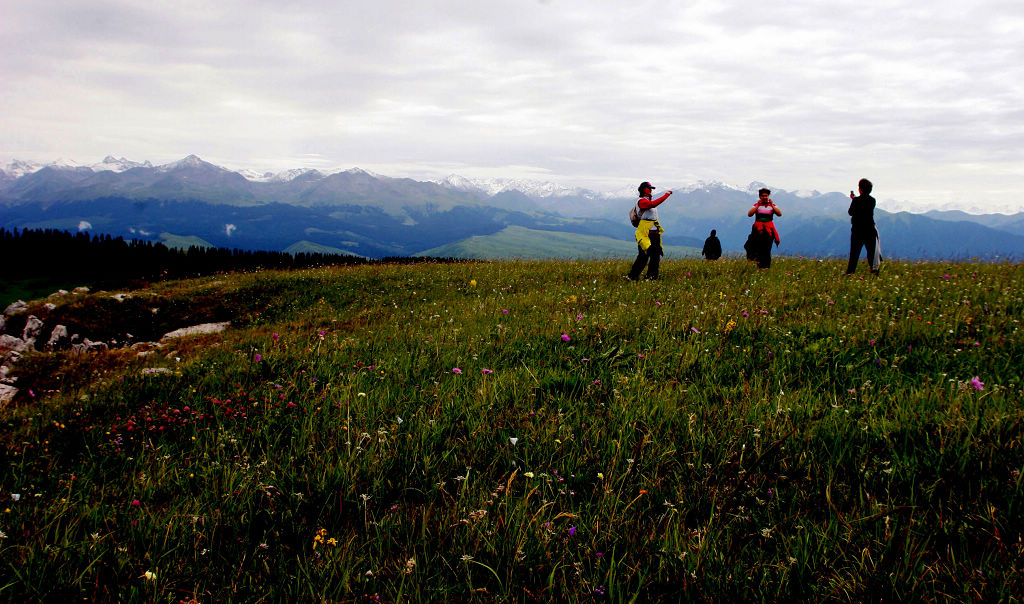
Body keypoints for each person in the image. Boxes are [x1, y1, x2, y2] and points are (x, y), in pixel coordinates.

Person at [627, 181, 673, 280]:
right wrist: (666, 195)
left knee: (655, 256)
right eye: (649, 188)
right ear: (644, 189)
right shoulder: (641, 201)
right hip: (645, 234)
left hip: (655, 233)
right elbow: (653, 204)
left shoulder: (647, 201)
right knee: (643, 256)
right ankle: (633, 276)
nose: (651, 190)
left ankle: (651, 277)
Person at [846, 178, 880, 275]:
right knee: (871, 254)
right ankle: (874, 273)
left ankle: (850, 272)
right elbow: (864, 203)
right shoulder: (872, 200)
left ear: (860, 189)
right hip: (870, 230)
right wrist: (855, 199)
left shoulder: (856, 200)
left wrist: (854, 199)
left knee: (854, 254)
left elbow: (850, 212)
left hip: (858, 231)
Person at [744, 188, 781, 269]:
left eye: (766, 196)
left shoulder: (772, 206)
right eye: (763, 196)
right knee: (755, 247)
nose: (764, 197)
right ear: (760, 197)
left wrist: (772, 205)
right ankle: (759, 265)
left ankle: (766, 266)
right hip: (758, 229)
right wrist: (757, 205)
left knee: (767, 248)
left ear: (768, 196)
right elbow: (749, 214)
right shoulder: (756, 205)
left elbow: (779, 214)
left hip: (768, 230)